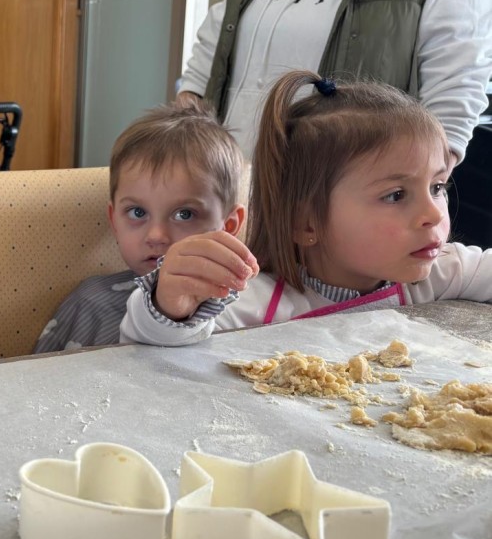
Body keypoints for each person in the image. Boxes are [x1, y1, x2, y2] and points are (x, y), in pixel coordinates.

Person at [121, 69, 492, 347]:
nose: (434, 214)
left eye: (437, 187)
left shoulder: (439, 273)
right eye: (396, 195)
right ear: (306, 222)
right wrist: (170, 306)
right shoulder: (252, 302)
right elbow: (146, 351)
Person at [177, 0, 492, 163]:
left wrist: (390, 200)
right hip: (230, 195)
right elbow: (211, 56)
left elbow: (450, 114)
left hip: (334, 212)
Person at [34, 101, 245, 352]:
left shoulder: (245, 308)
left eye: (185, 214)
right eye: (137, 212)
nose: (156, 236)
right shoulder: (89, 304)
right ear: (114, 219)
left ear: (228, 226)